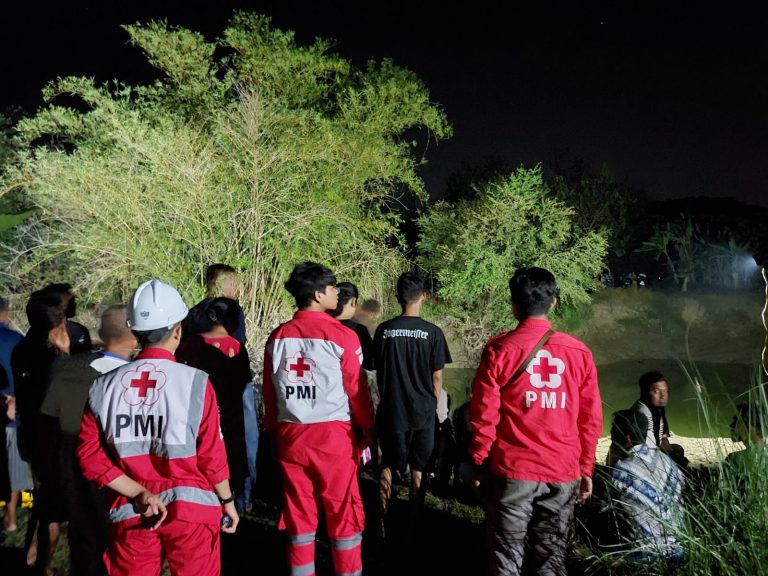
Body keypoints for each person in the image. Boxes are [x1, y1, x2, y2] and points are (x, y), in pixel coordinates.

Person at [77, 279, 239, 576]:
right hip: (192, 513)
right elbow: (211, 456)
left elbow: (90, 458)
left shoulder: (103, 388)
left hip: (132, 511)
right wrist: (227, 501)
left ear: (135, 332)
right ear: (178, 331)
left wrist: (138, 492)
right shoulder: (196, 382)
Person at [465, 266, 602, 576]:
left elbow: (483, 415)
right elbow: (590, 419)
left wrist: (478, 461)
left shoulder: (499, 349)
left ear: (513, 304)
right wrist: (585, 468)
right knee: (551, 556)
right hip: (562, 470)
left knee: (506, 555)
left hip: (514, 471)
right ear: (553, 302)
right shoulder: (579, 352)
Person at [262, 262, 374, 576]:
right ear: (318, 294)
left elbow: (270, 392)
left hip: (290, 438)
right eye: (332, 287)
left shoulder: (278, 337)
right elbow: (357, 389)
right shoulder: (342, 335)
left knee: (299, 517)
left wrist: (271, 429)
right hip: (333, 440)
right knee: (343, 514)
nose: (337, 292)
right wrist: (368, 427)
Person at [40, 305, 137, 576]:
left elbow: (50, 415)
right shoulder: (138, 376)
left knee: (82, 531)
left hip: (70, 456)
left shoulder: (67, 369)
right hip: (117, 460)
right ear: (134, 333)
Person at [374, 271, 452, 534]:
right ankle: (413, 524)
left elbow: (376, 370)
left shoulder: (384, 331)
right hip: (422, 412)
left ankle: (382, 522)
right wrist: (431, 405)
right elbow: (437, 378)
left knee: (385, 466)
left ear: (397, 298)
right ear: (424, 297)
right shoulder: (433, 333)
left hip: (392, 410)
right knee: (419, 469)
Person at [176, 297, 251, 506]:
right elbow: (243, 381)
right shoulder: (236, 347)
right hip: (230, 414)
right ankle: (233, 499)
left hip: (195, 414)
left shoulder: (190, 344)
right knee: (230, 455)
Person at [605, 408, 684, 563]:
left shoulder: (622, 470)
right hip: (677, 550)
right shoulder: (669, 463)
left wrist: (611, 463)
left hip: (642, 554)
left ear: (626, 438)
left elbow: (610, 514)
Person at [607, 371, 688, 469]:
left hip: (648, 452)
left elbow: (663, 439)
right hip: (633, 459)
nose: (663, 396)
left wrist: (672, 453)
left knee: (678, 450)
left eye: (665, 391)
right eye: (657, 391)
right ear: (645, 393)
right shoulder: (640, 415)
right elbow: (640, 449)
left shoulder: (658, 409)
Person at [0, 296, 30, 534]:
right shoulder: (18, 341)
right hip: (15, 416)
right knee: (13, 472)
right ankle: (10, 517)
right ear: (5, 313)